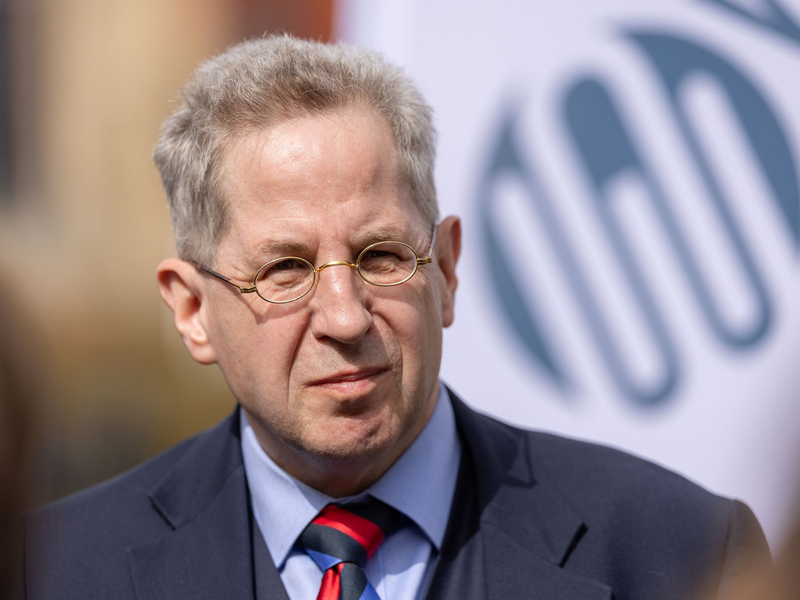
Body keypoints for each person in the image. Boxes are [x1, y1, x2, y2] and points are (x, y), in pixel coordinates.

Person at [17, 35, 769, 599]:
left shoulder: (682, 552)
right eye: (285, 270)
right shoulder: (52, 570)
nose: (344, 317)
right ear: (192, 309)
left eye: (380, 256)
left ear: (444, 269)